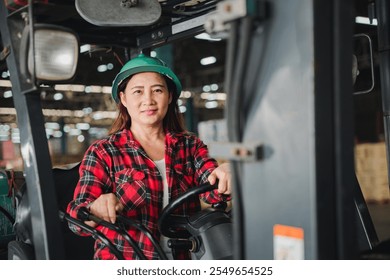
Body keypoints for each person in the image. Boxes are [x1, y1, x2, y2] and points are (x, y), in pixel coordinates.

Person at [66, 53, 231, 260]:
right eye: (138, 91)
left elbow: (212, 190)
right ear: (123, 99)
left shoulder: (190, 146)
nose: (148, 100)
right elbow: (76, 220)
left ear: (169, 97)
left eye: (157, 90)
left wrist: (225, 175)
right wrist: (94, 208)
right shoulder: (104, 152)